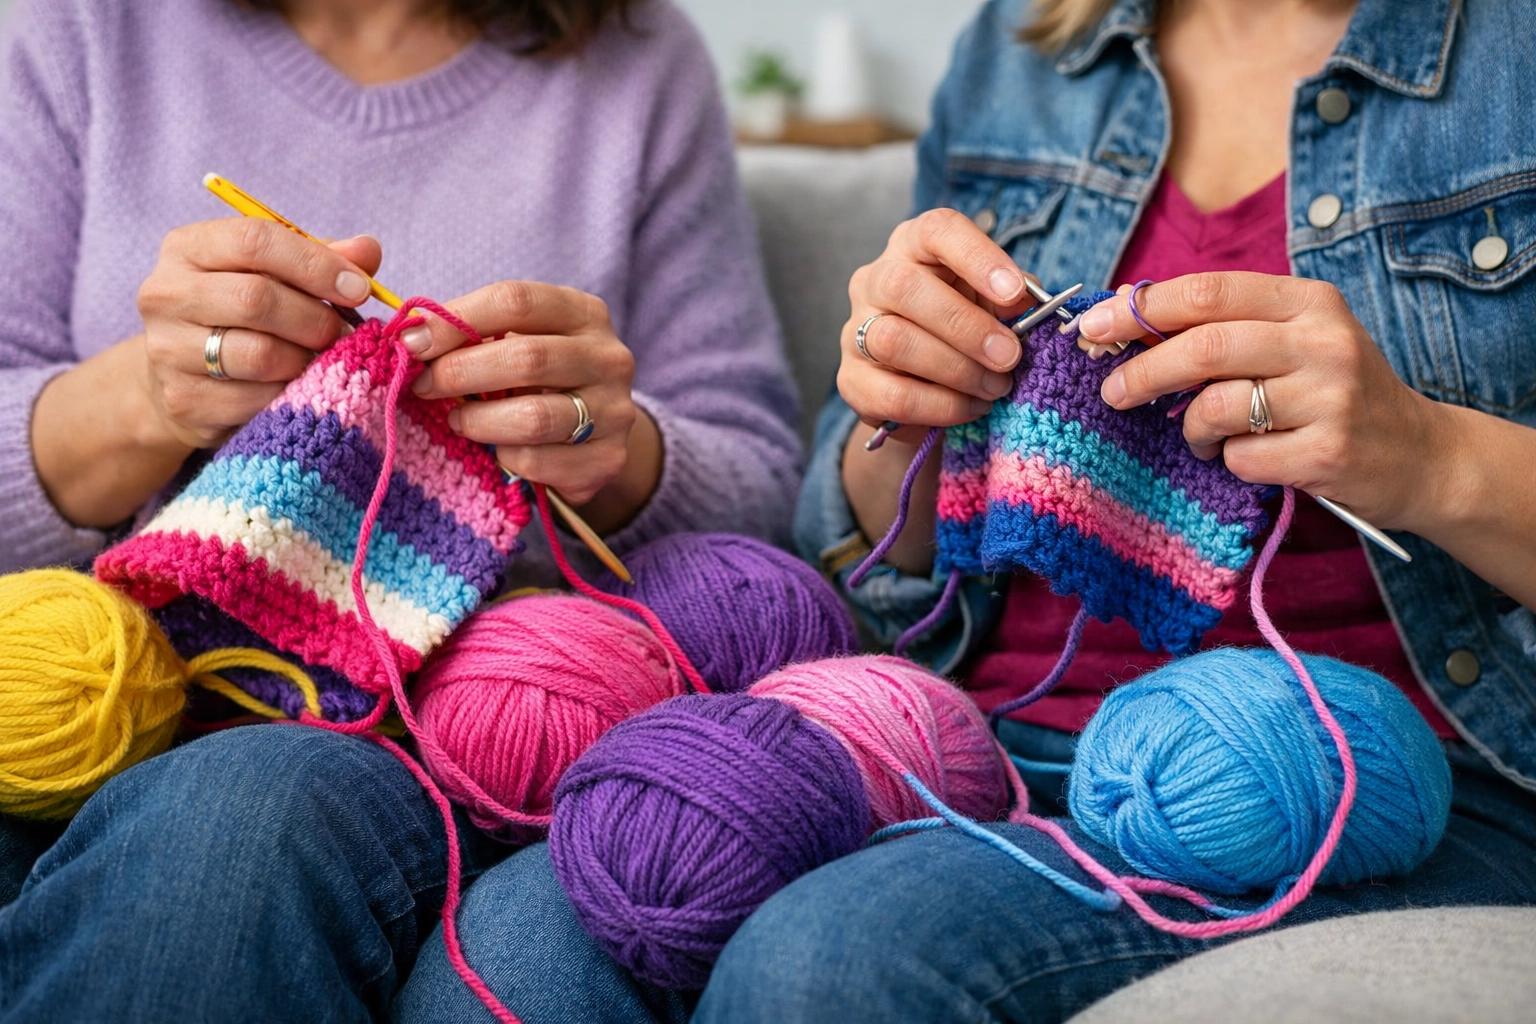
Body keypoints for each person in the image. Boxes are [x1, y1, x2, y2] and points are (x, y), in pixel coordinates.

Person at [393, 0, 1536, 1021]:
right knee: (516, 950)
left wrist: (1432, 455)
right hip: (971, 733)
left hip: (1374, 779)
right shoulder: (1026, 48)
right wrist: (903, 404)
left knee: (831, 966)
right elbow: (894, 547)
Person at [0, 0, 799, 1020]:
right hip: (73, 691)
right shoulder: (80, 27)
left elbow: (772, 488)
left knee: (235, 828)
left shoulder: (637, 63)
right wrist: (142, 400)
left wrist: (617, 451)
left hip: (433, 727)